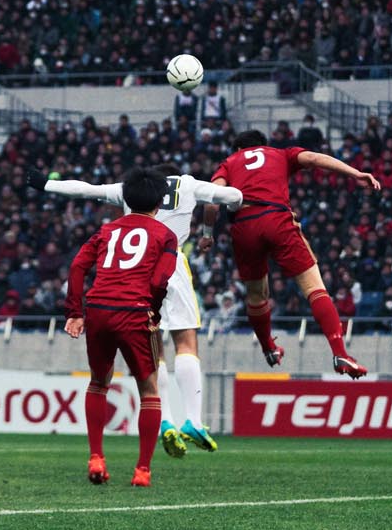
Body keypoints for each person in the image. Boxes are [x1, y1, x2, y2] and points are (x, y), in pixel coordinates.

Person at [44, 162, 244, 457]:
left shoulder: (128, 190)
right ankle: (193, 420)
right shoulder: (187, 184)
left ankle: (165, 419)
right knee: (186, 343)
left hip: (134, 274)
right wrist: (225, 218)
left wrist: (44, 183)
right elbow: (233, 196)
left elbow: (85, 189)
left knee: (154, 349)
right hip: (171, 262)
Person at [211, 130, 382, 378]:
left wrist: (206, 233)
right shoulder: (280, 153)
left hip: (244, 225)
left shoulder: (230, 162)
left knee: (256, 295)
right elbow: (314, 158)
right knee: (314, 288)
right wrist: (355, 173)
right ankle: (340, 352)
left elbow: (213, 199)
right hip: (276, 217)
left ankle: (268, 348)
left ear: (238, 149)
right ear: (263, 145)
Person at [64, 168, 178, 488]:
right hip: (135, 311)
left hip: (99, 309)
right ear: (160, 202)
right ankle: (142, 470)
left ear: (126, 198)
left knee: (98, 383)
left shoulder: (106, 230)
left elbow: (77, 266)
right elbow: (160, 279)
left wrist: (74, 312)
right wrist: (153, 309)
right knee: (149, 390)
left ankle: (96, 458)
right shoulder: (166, 235)